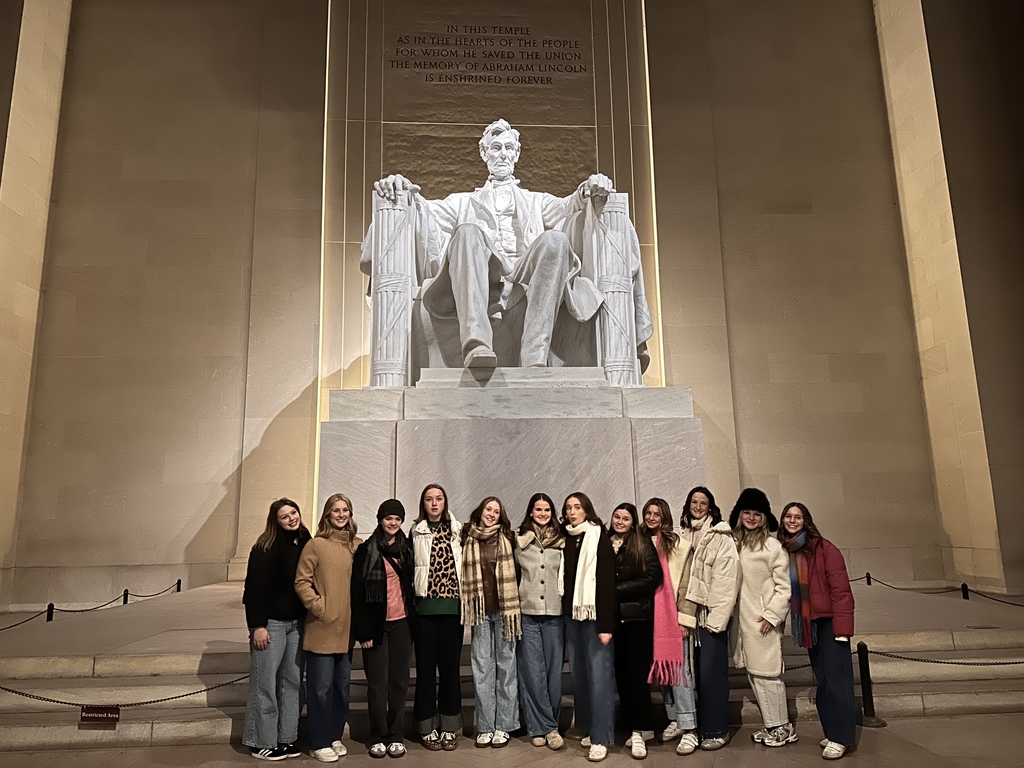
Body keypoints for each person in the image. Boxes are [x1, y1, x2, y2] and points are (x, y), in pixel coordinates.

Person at [368, 119, 651, 371]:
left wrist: (588, 187)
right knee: (467, 231)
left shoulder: (537, 200)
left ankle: (534, 353)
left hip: (525, 273)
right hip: (485, 273)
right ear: (484, 154)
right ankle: (476, 343)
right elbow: (424, 213)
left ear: (516, 154)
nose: (502, 154)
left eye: (508, 148)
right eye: (495, 148)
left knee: (555, 240)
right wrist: (402, 189)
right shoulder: (462, 201)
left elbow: (570, 206)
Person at [778, 502, 856, 760]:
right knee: (823, 680)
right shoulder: (785, 549)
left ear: (806, 520)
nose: (792, 520)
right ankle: (832, 729)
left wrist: (843, 628)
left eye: (797, 517)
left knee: (837, 681)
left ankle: (841, 736)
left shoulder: (824, 548)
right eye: (788, 516)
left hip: (829, 621)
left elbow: (841, 590)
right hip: (810, 622)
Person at [242, 498, 311, 761]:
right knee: (265, 684)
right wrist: (257, 625)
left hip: (297, 624)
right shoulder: (265, 547)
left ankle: (286, 738)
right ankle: (261, 740)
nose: (292, 518)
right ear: (276, 521)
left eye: (294, 512)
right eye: (285, 516)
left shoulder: (305, 539)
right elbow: (255, 589)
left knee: (292, 683)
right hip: (271, 624)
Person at [294, 493, 361, 763]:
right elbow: (301, 581)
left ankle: (333, 735)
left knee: (341, 687)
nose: (341, 514)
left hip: (347, 630)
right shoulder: (316, 545)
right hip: (322, 628)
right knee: (320, 689)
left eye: (346, 510)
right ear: (327, 514)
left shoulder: (357, 546)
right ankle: (318, 740)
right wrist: (320, 607)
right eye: (336, 510)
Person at [728, 489, 794, 748]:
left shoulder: (772, 546)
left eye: (757, 513)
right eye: (747, 512)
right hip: (742, 623)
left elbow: (784, 587)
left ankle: (782, 727)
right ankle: (772, 725)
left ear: (764, 517)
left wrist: (772, 615)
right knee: (755, 675)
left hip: (762, 622)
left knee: (769, 676)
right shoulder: (734, 543)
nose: (752, 518)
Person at [351, 499, 416, 758]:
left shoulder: (407, 549)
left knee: (400, 682)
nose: (393, 523)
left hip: (402, 624)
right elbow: (357, 593)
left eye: (397, 518)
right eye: (389, 518)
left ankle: (396, 733)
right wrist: (363, 631)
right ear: (380, 519)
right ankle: (377, 734)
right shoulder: (366, 550)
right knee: (377, 684)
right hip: (376, 626)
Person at [677, 486, 739, 751]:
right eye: (694, 502)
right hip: (687, 615)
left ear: (711, 507)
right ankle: (697, 727)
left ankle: (717, 729)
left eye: (703, 503)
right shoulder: (681, 535)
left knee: (712, 674)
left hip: (709, 616)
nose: (698, 506)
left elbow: (728, 581)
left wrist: (717, 619)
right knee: (693, 675)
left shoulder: (721, 536)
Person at [460, 496, 521, 747]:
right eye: (489, 509)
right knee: (482, 669)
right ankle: (485, 725)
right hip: (480, 612)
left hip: (506, 613)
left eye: (497, 511)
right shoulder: (467, 538)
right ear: (480, 511)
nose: (492, 514)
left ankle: (504, 725)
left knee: (506, 669)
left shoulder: (508, 539)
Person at [561, 492, 617, 762]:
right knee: (581, 677)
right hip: (573, 617)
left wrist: (606, 625)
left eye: (577, 507)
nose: (572, 512)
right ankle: (589, 726)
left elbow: (606, 584)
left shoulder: (598, 537)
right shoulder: (566, 539)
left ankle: (602, 737)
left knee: (600, 678)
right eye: (568, 508)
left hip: (596, 618)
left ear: (587, 510)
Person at [640, 497, 698, 756]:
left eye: (656, 513)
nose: (652, 517)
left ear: (665, 516)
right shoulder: (638, 542)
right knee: (662, 672)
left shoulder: (679, 546)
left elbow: (686, 585)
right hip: (647, 618)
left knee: (679, 670)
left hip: (672, 616)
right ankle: (673, 718)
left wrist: (685, 618)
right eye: (648, 513)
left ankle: (689, 728)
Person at [410, 484, 464, 751]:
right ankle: (426, 727)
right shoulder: (416, 531)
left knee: (451, 673)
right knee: (426, 672)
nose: (434, 503)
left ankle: (450, 727)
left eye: (439, 498)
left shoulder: (458, 530)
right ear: (424, 503)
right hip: (425, 612)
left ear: (445, 502)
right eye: (429, 499)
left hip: (452, 611)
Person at [609, 502, 662, 759]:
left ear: (633, 522)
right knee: (622, 676)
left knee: (638, 676)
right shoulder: (606, 542)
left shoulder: (641, 543)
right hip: (614, 621)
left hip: (637, 619)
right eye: (617, 517)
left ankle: (641, 728)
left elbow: (653, 577)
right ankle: (635, 727)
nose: (620, 521)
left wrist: (617, 591)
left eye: (626, 518)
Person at [514, 493, 566, 751]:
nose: (543, 513)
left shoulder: (562, 539)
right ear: (531, 512)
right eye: (538, 509)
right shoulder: (520, 540)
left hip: (555, 613)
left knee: (553, 673)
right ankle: (540, 728)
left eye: (547, 509)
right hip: (528, 612)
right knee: (532, 672)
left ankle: (551, 723)